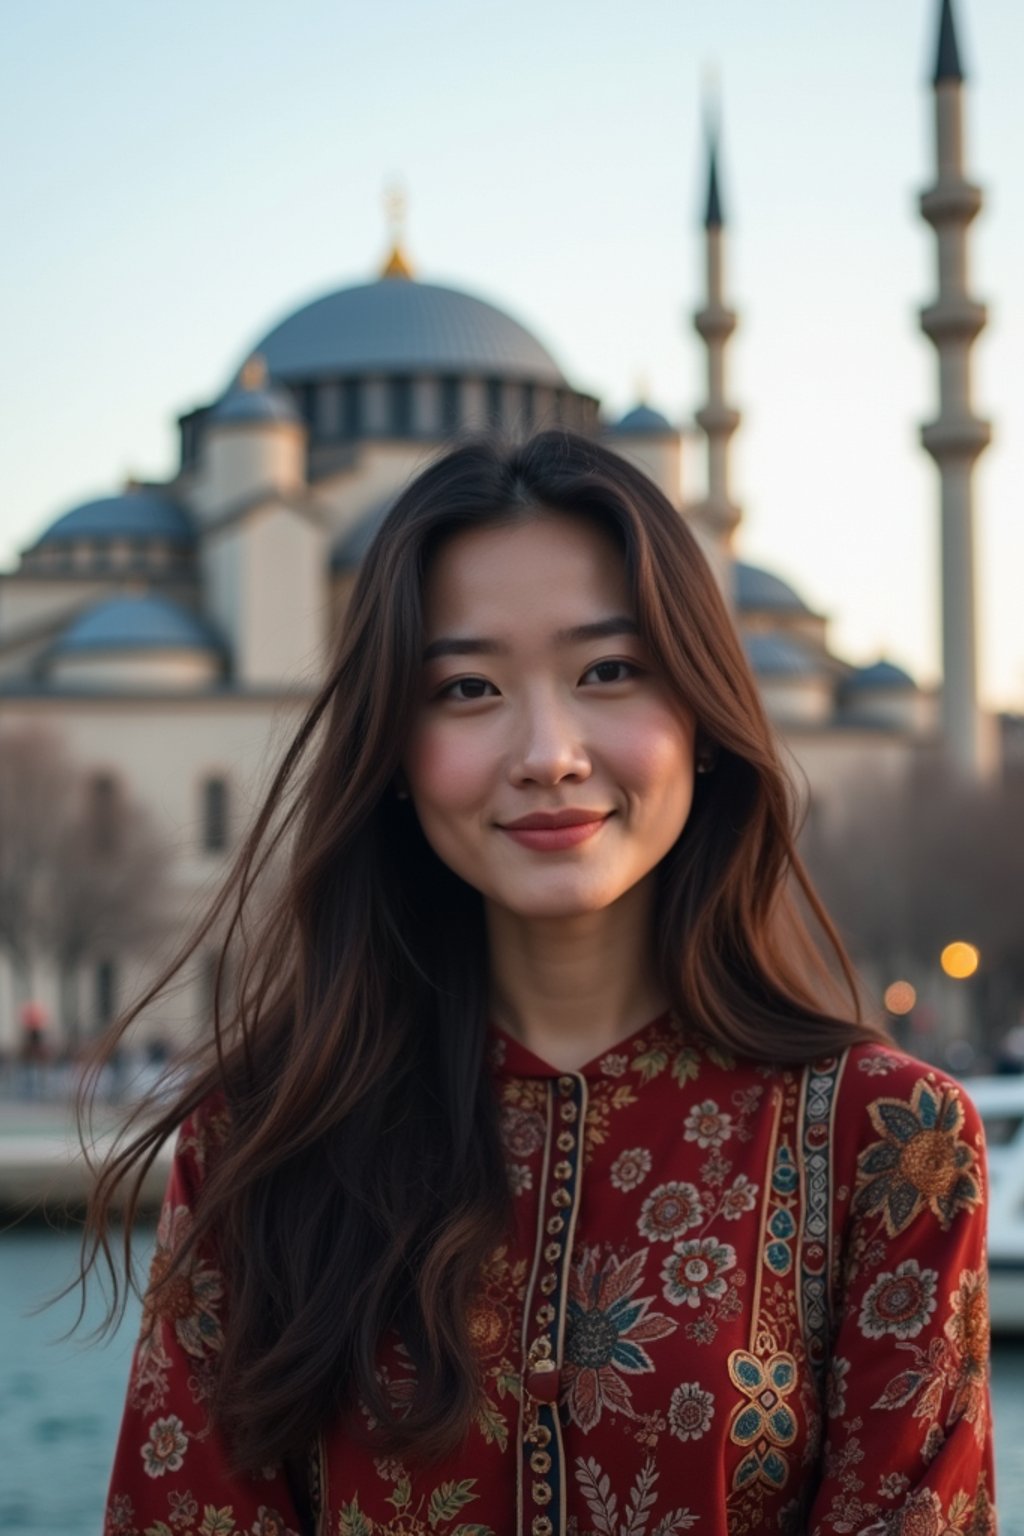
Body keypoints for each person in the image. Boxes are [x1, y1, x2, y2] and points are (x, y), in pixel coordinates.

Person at [79, 431, 994, 1536]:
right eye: (466, 687)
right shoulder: (259, 1143)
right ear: (396, 757)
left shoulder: (885, 1142)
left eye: (607, 671)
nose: (548, 752)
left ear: (699, 718)